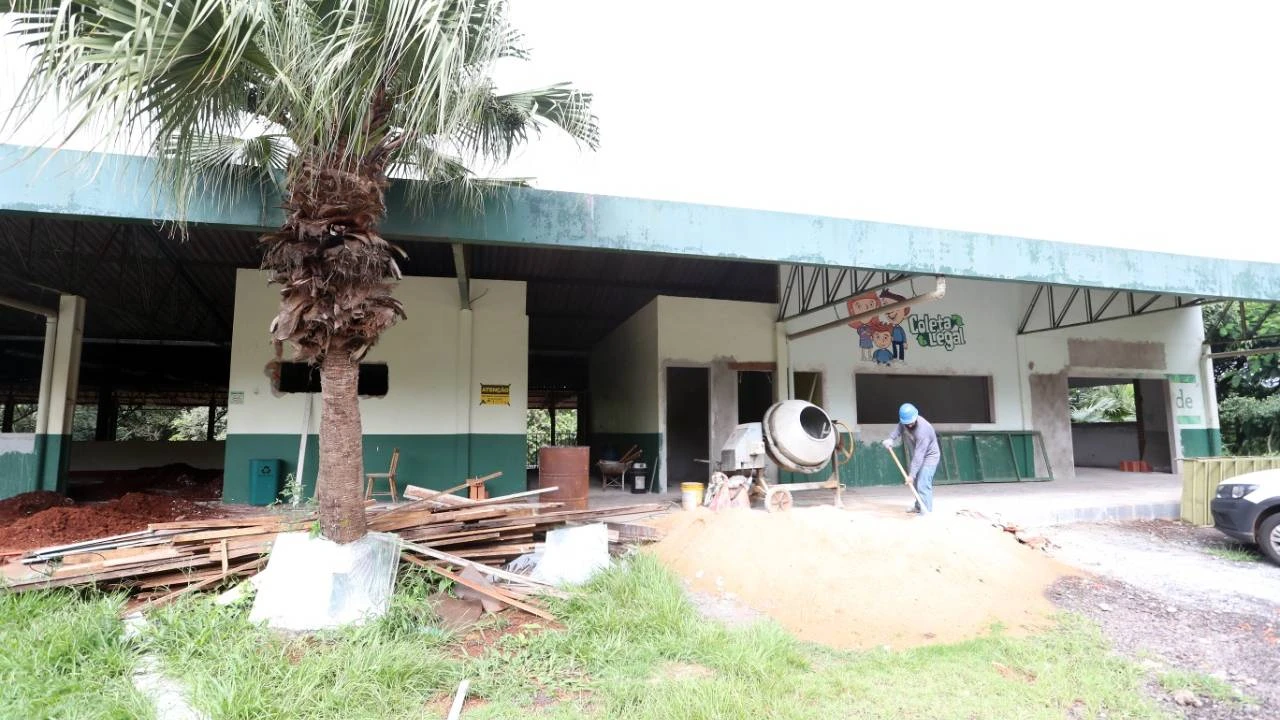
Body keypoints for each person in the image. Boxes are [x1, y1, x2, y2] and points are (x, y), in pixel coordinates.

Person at [881, 402, 939, 515]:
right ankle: (918, 506)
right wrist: (891, 439)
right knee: (917, 484)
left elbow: (919, 455)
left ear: (915, 416)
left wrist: (911, 475)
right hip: (919, 455)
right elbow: (899, 428)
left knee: (923, 484)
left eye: (912, 423)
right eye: (907, 423)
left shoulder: (923, 430)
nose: (910, 425)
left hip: (929, 457)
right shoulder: (905, 422)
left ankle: (926, 511)